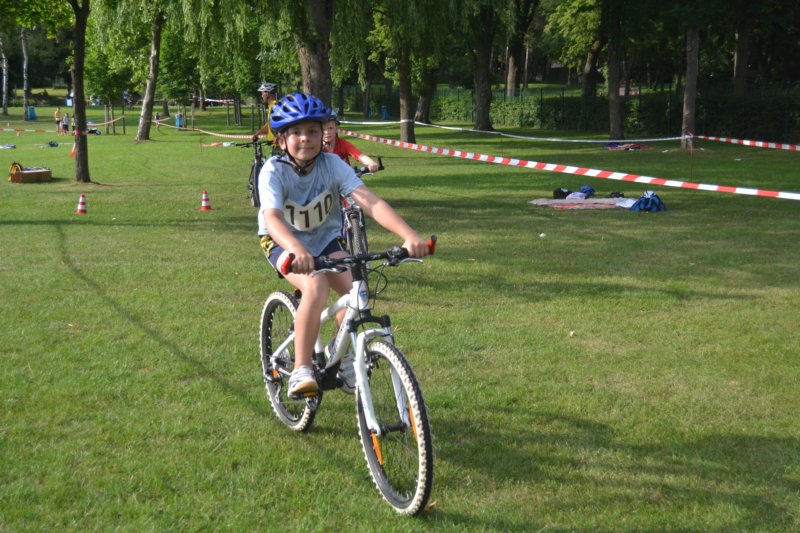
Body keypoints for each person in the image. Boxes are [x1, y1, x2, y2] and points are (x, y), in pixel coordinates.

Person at [257, 93, 429, 396]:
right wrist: (296, 248)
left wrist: (409, 235)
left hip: (324, 239)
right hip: (282, 241)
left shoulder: (333, 164)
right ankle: (301, 368)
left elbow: (370, 202)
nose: (306, 138)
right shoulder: (274, 170)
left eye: (313, 131)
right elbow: (272, 218)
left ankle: (342, 357)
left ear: (323, 134)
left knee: (355, 293)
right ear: (282, 140)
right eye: (296, 132)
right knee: (315, 287)